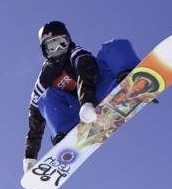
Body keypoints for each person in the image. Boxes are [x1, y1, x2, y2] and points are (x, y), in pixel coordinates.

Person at [22, 21, 141, 172]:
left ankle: (132, 75)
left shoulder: (76, 53)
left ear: (69, 41)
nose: (58, 49)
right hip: (80, 113)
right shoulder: (45, 77)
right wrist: (30, 155)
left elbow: (86, 72)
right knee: (45, 98)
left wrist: (87, 102)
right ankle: (68, 131)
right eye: (52, 47)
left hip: (103, 88)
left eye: (62, 43)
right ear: (45, 51)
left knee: (111, 46)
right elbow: (35, 117)